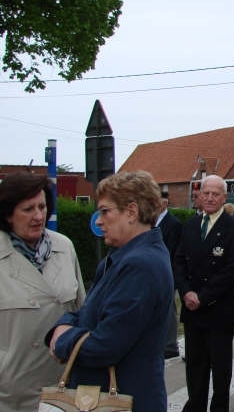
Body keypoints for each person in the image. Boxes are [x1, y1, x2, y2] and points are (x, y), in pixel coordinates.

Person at [47, 170, 173, 412]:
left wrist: (62, 339)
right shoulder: (120, 257)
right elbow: (86, 313)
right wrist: (64, 326)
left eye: (105, 211)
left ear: (132, 212)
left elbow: (105, 346)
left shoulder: (140, 265)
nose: (98, 220)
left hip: (125, 399)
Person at [0, 172, 85, 412]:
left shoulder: (64, 246)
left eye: (42, 206)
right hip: (11, 392)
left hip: (61, 388)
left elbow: (81, 310)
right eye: (28, 209)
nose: (38, 216)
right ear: (8, 214)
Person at [174, 175, 234, 412]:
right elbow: (178, 263)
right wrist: (186, 292)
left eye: (215, 194)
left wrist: (202, 297)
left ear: (224, 197)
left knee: (221, 371)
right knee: (195, 368)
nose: (210, 198)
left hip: (219, 312)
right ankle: (195, 407)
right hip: (192, 312)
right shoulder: (191, 226)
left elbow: (231, 271)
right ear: (199, 195)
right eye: (205, 193)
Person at [156, 191, 183, 359]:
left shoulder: (173, 223)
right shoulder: (153, 222)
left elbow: (172, 251)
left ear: (164, 204)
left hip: (167, 273)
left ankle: (170, 344)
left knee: (169, 308)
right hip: (155, 272)